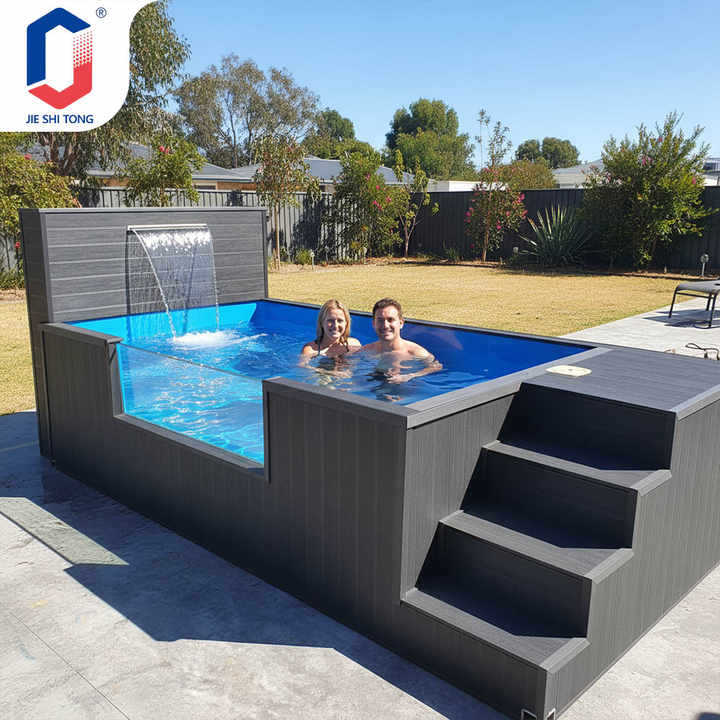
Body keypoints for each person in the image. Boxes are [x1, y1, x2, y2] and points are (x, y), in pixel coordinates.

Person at [363, 298, 442, 383]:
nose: (385, 325)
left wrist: (410, 376)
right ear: (374, 324)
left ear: (401, 323)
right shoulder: (367, 350)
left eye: (390, 320)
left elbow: (437, 367)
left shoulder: (416, 352)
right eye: (380, 320)